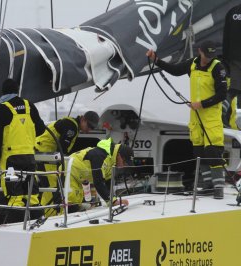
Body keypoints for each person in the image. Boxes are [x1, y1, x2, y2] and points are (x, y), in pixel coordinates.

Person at [146, 40, 227, 199]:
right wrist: (156, 60)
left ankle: (219, 188)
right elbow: (175, 70)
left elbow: (222, 94)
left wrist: (202, 104)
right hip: (196, 117)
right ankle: (208, 184)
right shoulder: (192, 64)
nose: (208, 58)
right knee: (199, 152)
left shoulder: (218, 67)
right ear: (200, 51)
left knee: (213, 152)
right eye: (206, 55)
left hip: (210, 117)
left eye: (211, 55)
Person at [0, 78, 45, 223]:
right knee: (31, 194)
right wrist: (26, 139)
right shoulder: (29, 106)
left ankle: (14, 227)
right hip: (29, 158)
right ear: (17, 90)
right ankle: (37, 224)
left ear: (3, 92)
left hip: (11, 161)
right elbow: (41, 129)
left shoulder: (1, 109)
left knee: (14, 195)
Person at [35, 111, 100, 214]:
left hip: (45, 154)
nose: (89, 130)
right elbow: (63, 148)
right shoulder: (72, 127)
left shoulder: (72, 124)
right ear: (83, 119)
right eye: (89, 126)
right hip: (44, 155)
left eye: (92, 128)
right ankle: (48, 214)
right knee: (51, 186)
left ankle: (53, 211)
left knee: (53, 184)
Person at [66, 138, 131, 213]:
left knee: (75, 203)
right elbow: (98, 182)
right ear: (119, 155)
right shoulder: (100, 155)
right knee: (70, 204)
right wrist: (113, 201)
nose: (123, 166)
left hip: (77, 176)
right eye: (125, 162)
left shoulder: (110, 161)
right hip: (68, 172)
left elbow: (108, 183)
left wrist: (112, 200)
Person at [223, 4, 241, 112]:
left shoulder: (232, 11)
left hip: (233, 57)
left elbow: (226, 36)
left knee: (235, 87)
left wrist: (226, 58)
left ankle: (224, 104)